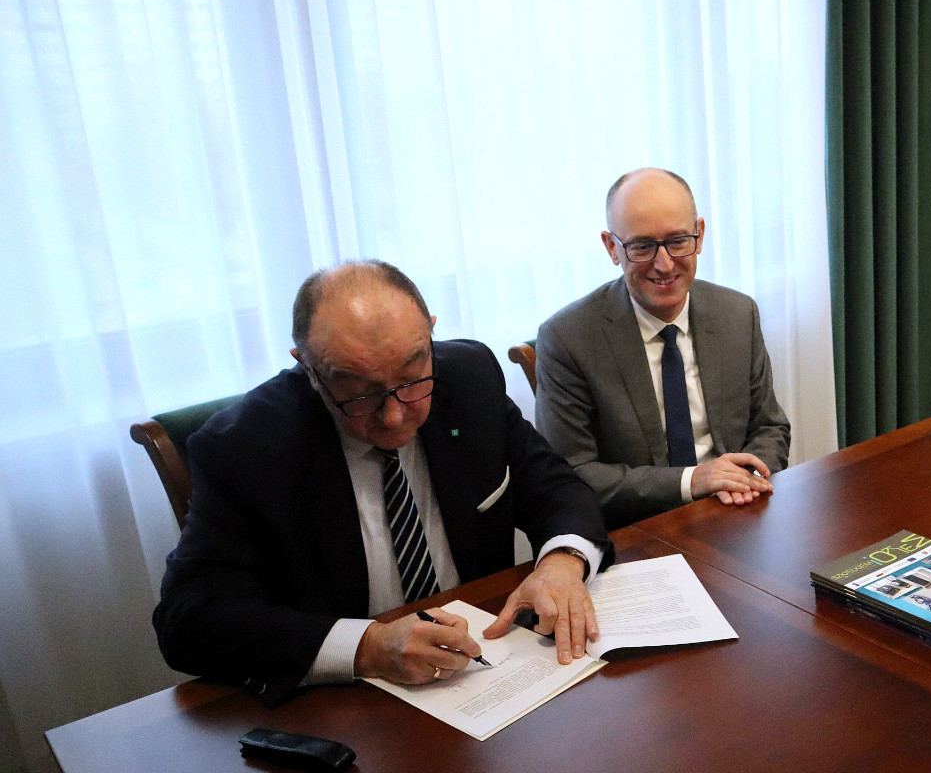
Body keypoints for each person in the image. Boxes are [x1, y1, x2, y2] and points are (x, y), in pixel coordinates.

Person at [153, 261, 614, 705]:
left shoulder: (468, 377)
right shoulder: (245, 446)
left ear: (429, 337)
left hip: (485, 672)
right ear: (307, 368)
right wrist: (367, 647)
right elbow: (188, 621)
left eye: (411, 379)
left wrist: (561, 563)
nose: (394, 416)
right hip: (349, 706)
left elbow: (555, 487)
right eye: (359, 392)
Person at [535, 167, 791, 528]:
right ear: (612, 247)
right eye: (642, 246)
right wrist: (693, 481)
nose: (664, 264)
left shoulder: (737, 313)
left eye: (678, 241)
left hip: (736, 513)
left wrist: (742, 479)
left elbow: (770, 427)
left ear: (699, 235)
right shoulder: (567, 339)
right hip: (638, 530)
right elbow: (572, 473)